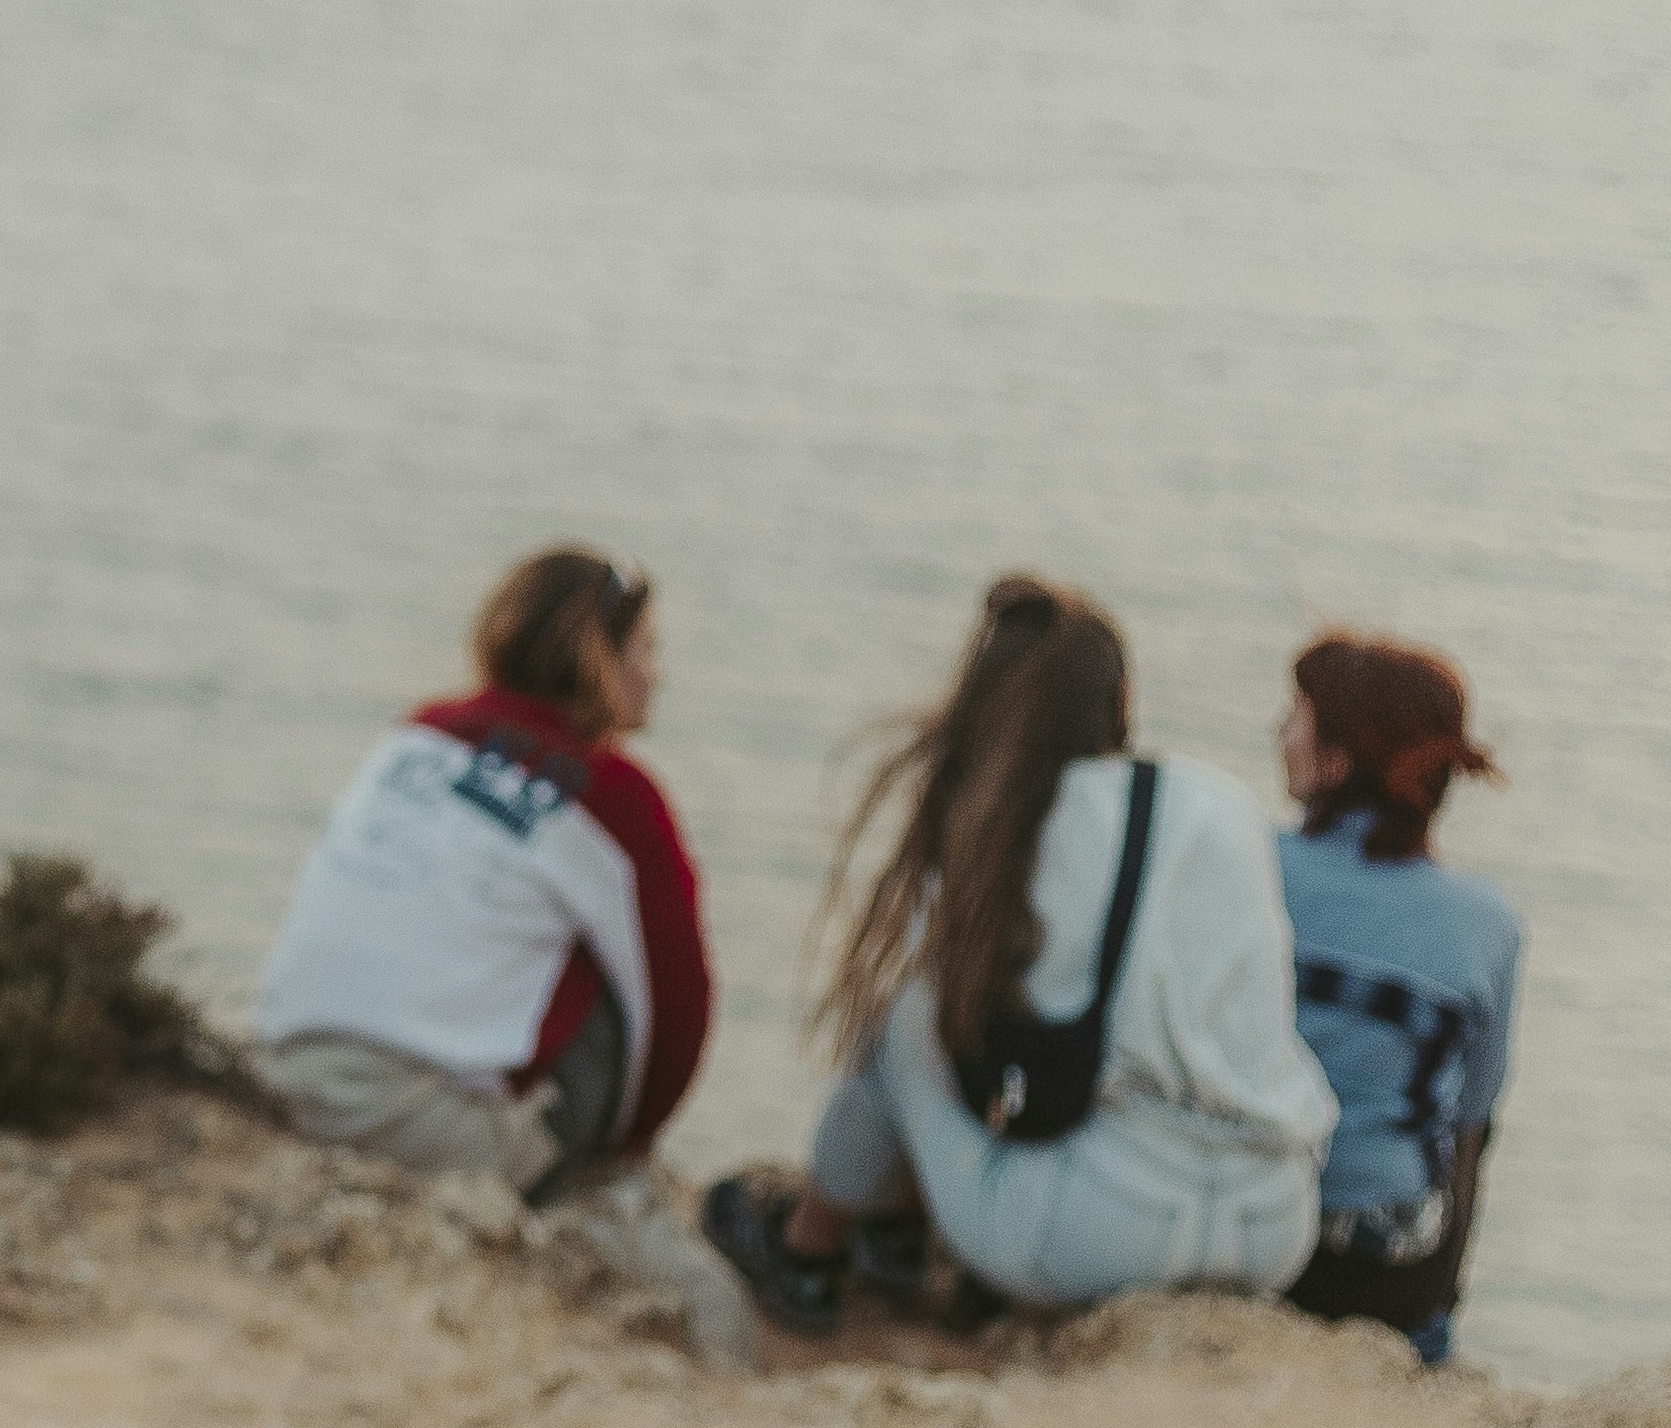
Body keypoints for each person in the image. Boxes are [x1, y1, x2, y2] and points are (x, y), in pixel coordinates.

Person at [697, 576, 1333, 1336]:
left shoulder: (1005, 824)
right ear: (1121, 694)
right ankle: (895, 1229)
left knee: (906, 1013)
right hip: (1274, 1219)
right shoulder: (1221, 803)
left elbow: (960, 1038)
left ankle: (810, 1247)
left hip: (1095, 1234)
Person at [249, 546, 713, 1199]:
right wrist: (633, 1143)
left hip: (277, 1075)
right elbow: (677, 1009)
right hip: (419, 1127)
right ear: (599, 660)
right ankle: (561, 1171)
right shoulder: (618, 796)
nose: (656, 674)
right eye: (643, 649)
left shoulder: (422, 732)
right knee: (614, 961)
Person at [1274, 633, 1518, 1363]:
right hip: (1384, 1265)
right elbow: (1472, 1127)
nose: (1277, 733)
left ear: (1336, 758)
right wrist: (1441, 1298)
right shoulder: (1488, 922)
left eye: (1295, 716)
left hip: (1251, 1229)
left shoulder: (1250, 865)